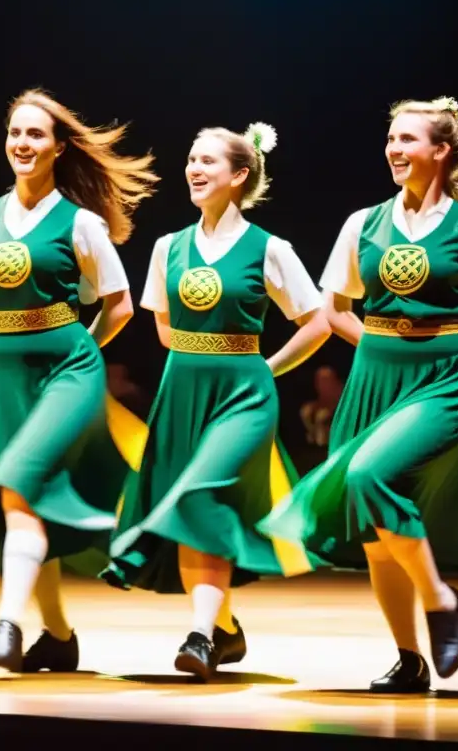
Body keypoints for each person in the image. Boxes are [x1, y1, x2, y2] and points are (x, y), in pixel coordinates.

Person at [260, 97, 458, 693]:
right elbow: (334, 310)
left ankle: (440, 600)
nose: (393, 149)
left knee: (365, 478)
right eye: (390, 139)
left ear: (441, 150)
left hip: (442, 381)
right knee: (377, 535)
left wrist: (448, 341)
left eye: (407, 139)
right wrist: (381, 344)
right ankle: (408, 660)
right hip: (374, 377)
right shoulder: (363, 224)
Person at [101, 123, 331, 680]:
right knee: (188, 502)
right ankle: (223, 628)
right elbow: (162, 328)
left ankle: (200, 637)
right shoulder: (167, 247)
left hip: (244, 395)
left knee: (204, 494)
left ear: (239, 175)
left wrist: (266, 367)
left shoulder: (269, 248)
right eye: (190, 159)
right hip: (182, 393)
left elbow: (319, 320)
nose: (194, 169)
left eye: (207, 161)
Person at [0, 88, 158, 673]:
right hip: (5, 376)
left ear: (60, 148)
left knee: (20, 486)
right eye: (15, 132)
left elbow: (120, 304)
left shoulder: (81, 223)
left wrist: (79, 350)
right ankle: (58, 636)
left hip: (67, 371)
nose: (23, 143)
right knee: (24, 502)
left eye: (36, 134)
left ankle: (8, 626)